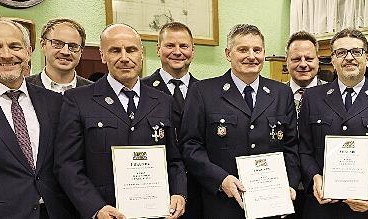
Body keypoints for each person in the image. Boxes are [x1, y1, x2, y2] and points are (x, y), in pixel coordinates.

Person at [55, 23, 187, 219]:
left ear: (141, 53)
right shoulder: (78, 100)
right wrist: (95, 208)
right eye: (115, 50)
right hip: (106, 212)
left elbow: (174, 160)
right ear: (102, 55)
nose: (124, 58)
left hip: (156, 213)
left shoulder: (163, 101)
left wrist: (179, 193)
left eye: (131, 50)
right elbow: (68, 165)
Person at [179, 24, 299, 218]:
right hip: (223, 205)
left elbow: (291, 146)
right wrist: (221, 179)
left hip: (271, 205)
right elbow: (190, 145)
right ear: (228, 54)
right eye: (243, 49)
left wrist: (290, 185)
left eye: (257, 50)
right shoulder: (203, 92)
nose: (251, 56)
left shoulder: (281, 93)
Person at [298, 28, 368, 218]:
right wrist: (314, 177)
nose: (349, 58)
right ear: (332, 59)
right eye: (341, 53)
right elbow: (304, 149)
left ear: (367, 58)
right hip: (322, 208)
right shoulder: (312, 97)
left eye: (356, 52)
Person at [0, 18, 77, 219]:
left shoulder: (56, 103)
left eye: (15, 46)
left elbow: (69, 164)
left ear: (28, 52)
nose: (6, 54)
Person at [140, 21, 201, 219]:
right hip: (156, 191)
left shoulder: (207, 92)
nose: (177, 52)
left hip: (201, 191)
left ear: (193, 50)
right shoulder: (140, 90)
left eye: (183, 46)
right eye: (170, 46)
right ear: (158, 50)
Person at [26, 18, 93, 93]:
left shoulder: (94, 92)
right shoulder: (23, 88)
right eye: (57, 44)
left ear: (81, 51)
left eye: (73, 46)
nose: (65, 52)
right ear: (43, 45)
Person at [285, 31, 326, 113]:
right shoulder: (276, 96)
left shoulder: (334, 95)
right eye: (296, 59)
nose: (303, 64)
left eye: (309, 59)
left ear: (318, 61)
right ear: (286, 61)